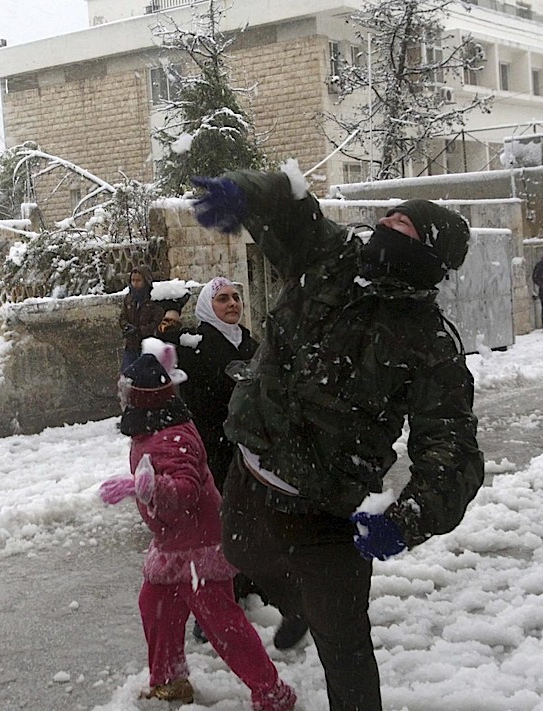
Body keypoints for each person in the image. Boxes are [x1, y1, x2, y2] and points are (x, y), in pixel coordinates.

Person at [192, 170, 485, 711]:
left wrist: (406, 520)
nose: (386, 223)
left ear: (429, 256)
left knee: (344, 645)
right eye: (388, 215)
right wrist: (247, 191)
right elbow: (293, 209)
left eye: (403, 225)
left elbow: (452, 450)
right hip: (251, 471)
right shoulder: (331, 259)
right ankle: (295, 603)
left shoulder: (429, 343)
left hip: (327, 509)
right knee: (239, 550)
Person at [100, 347, 297, 711]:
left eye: (125, 394)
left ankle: (271, 691)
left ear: (139, 400)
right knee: (156, 606)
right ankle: (170, 680)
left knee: (222, 624)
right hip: (172, 542)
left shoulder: (171, 437)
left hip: (198, 546)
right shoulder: (155, 428)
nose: (121, 399)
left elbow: (186, 491)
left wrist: (146, 488)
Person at [159, 277, 308, 649]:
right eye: (222, 299)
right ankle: (217, 605)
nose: (232, 304)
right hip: (215, 452)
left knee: (259, 528)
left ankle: (258, 592)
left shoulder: (253, 345)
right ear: (208, 307)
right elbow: (158, 363)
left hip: (254, 452)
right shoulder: (194, 345)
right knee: (221, 532)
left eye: (236, 298)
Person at [118, 265, 164, 373]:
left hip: (148, 346)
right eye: (133, 280)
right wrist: (127, 327)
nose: (135, 284)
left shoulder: (154, 300)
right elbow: (123, 317)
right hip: (131, 345)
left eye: (138, 281)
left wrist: (140, 330)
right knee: (127, 375)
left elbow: (157, 323)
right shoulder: (129, 298)